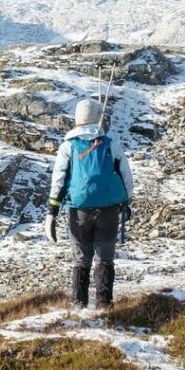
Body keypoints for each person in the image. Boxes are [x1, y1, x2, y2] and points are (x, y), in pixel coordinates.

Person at [45, 97, 134, 309]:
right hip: (109, 209)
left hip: (79, 210)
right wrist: (126, 202)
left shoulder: (68, 146)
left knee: (81, 258)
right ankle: (104, 304)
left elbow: (59, 179)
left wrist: (52, 211)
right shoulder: (111, 144)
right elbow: (126, 176)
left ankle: (79, 304)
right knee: (105, 257)